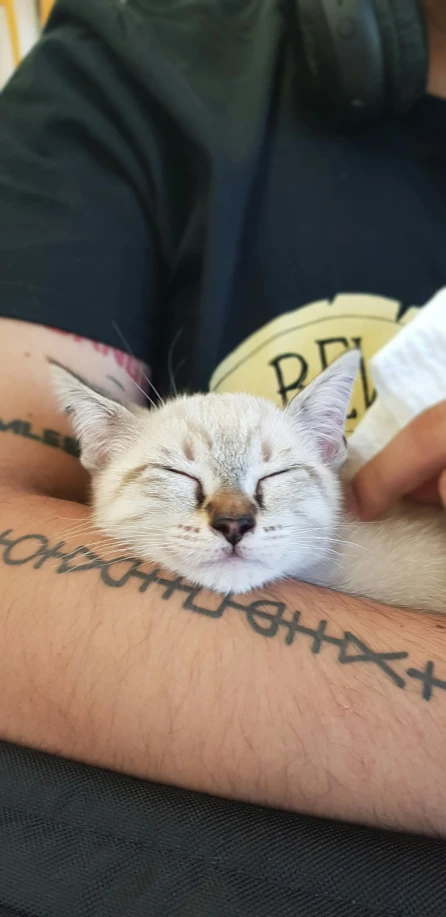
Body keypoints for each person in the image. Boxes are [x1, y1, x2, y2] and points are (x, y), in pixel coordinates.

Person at [0, 0, 445, 913]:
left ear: (328, 451)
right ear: (100, 450)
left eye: (277, 479)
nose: (233, 513)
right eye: (179, 480)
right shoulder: (134, 59)